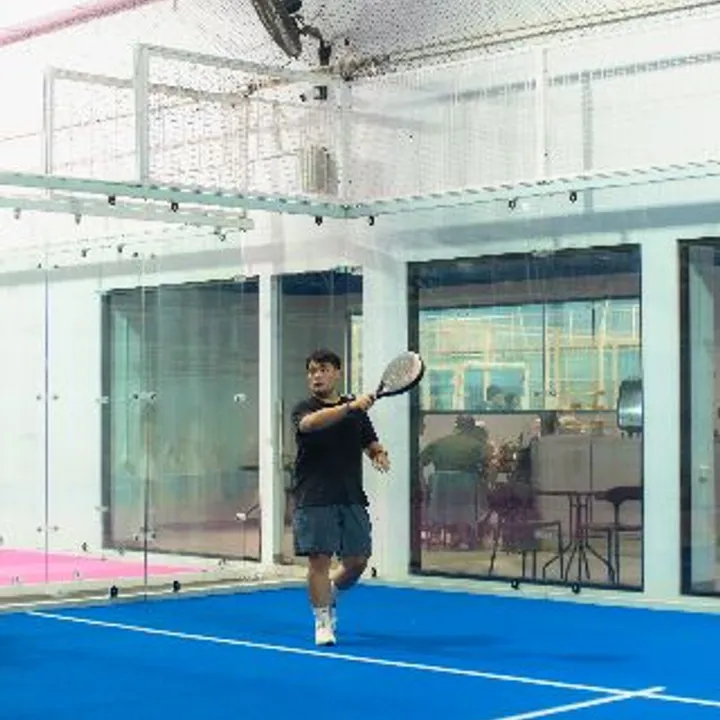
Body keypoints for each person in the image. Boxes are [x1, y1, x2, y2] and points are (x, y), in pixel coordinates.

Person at [290, 348, 390, 646]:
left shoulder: (356, 411)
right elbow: (310, 424)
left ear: (337, 372)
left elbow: (369, 440)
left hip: (351, 495)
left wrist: (378, 453)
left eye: (323, 369)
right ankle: (322, 621)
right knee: (319, 560)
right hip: (314, 495)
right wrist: (350, 407)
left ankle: (329, 591)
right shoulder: (304, 408)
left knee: (358, 561)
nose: (316, 376)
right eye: (312, 371)